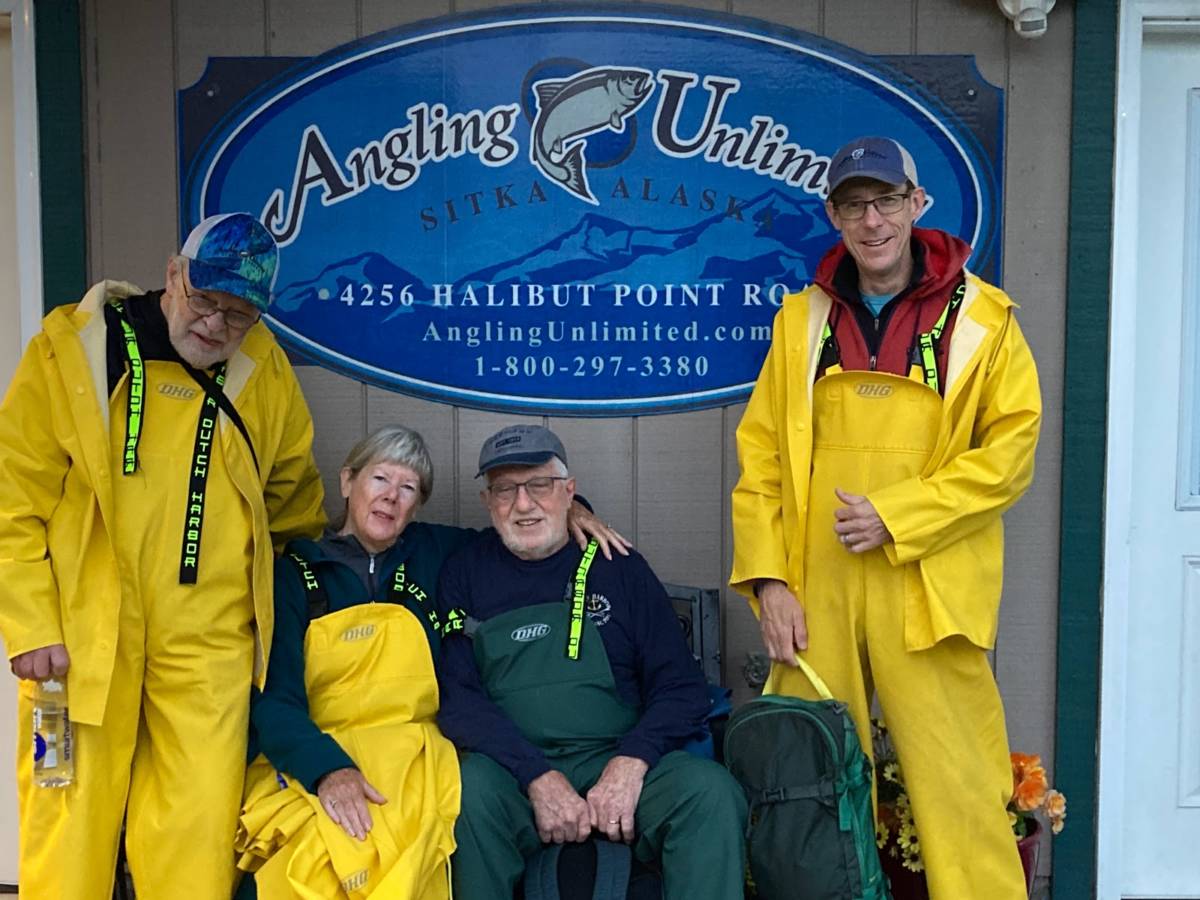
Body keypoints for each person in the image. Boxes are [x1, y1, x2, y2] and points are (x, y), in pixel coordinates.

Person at [731, 136, 1041, 899]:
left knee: (961, 786)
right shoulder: (800, 321)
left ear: (917, 204)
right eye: (854, 206)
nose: (872, 221)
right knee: (810, 786)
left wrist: (898, 516)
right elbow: (761, 456)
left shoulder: (985, 321)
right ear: (834, 216)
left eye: (887, 201)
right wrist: (770, 581)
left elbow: (1010, 455)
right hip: (815, 587)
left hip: (928, 585)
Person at [0, 212, 328, 899]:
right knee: (66, 833)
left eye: (238, 314)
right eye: (204, 299)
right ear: (173, 274)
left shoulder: (264, 369)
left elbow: (292, 500)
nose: (215, 324)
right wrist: (29, 624)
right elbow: (12, 499)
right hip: (79, 645)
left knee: (196, 841)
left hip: (208, 646)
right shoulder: (74, 352)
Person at [236, 424, 628, 899]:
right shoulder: (294, 572)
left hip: (417, 761)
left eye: (408, 488)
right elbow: (275, 702)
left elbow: (523, 523)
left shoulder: (439, 553)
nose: (391, 497)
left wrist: (574, 508)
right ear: (347, 481)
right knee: (304, 866)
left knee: (417, 860)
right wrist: (327, 772)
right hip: (320, 755)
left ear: (417, 506)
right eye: (380, 479)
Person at [436, 424, 747, 900]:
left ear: (569, 491)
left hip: (618, 757)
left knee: (709, 793)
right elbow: (458, 700)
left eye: (540, 484)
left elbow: (681, 686)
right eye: (505, 489)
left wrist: (631, 764)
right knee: (469, 793)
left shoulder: (619, 566)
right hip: (512, 771)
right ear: (487, 501)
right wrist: (536, 777)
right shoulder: (464, 571)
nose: (523, 504)